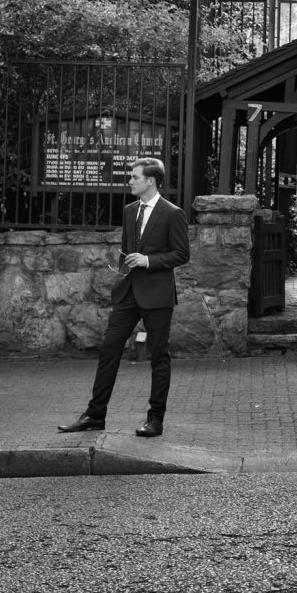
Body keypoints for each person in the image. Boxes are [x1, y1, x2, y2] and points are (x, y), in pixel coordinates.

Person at [58, 156, 189, 438]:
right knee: (109, 350)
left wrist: (148, 260)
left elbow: (182, 254)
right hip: (128, 293)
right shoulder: (130, 210)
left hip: (157, 295)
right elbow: (127, 249)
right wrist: (124, 263)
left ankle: (155, 420)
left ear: (150, 181)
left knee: (159, 357)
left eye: (134, 177)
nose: (129, 181)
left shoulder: (172, 213)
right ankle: (95, 415)